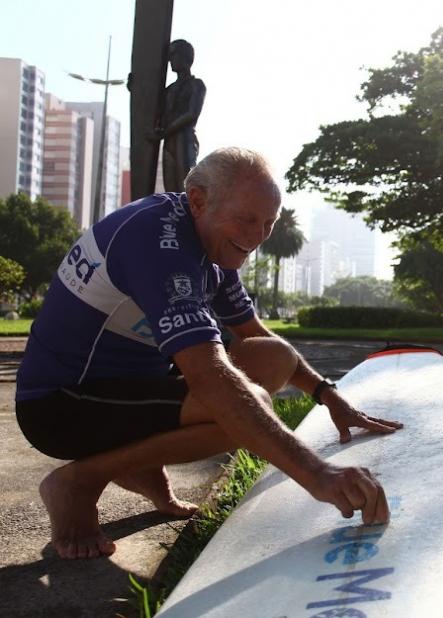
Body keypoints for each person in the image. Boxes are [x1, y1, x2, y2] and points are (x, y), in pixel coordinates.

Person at [15, 147, 402, 560]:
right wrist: (317, 473)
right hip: (60, 406)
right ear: (198, 201)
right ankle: (80, 481)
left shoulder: (212, 249)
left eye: (268, 224)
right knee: (247, 408)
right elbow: (209, 377)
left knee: (272, 357)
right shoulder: (157, 241)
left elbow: (256, 337)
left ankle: (140, 464)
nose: (256, 236)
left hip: (128, 392)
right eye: (247, 219)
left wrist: (328, 396)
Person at [155, 39, 206, 192]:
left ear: (185, 57)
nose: (171, 60)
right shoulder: (168, 90)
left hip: (185, 140)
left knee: (185, 186)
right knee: (170, 188)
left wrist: (165, 131)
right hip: (169, 142)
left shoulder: (196, 85)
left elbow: (191, 114)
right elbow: (153, 108)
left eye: (174, 55)